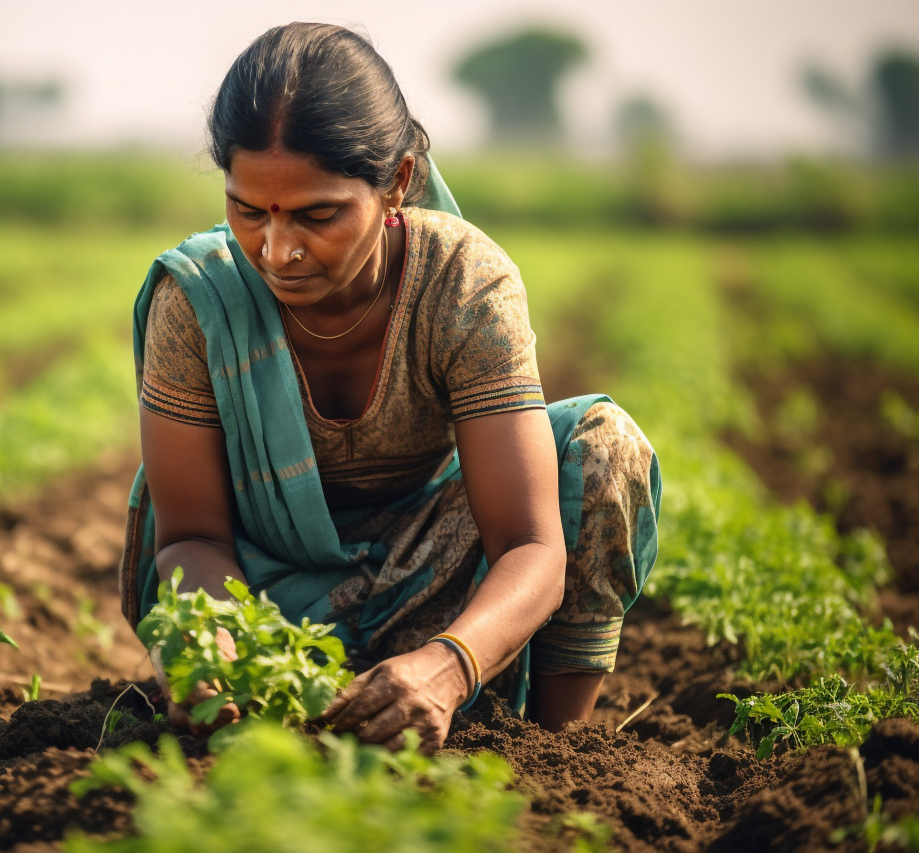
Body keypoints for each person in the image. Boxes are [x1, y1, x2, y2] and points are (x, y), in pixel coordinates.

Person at [119, 22, 661, 753]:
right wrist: (217, 647)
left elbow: (532, 543)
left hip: (438, 581)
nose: (277, 250)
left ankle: (551, 754)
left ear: (396, 183)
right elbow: (189, 536)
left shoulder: (462, 284)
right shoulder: (197, 302)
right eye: (249, 210)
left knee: (604, 447)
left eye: (317, 214)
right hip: (274, 595)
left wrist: (449, 663)